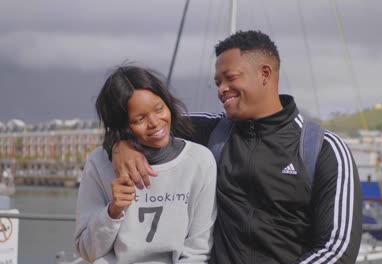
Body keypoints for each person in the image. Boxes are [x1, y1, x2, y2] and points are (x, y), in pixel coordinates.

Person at [112, 30, 362, 264]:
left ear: (265, 73)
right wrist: (121, 145)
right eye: (218, 81)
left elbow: (337, 249)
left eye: (230, 78)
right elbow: (146, 125)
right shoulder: (209, 131)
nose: (221, 90)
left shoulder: (323, 148)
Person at [74, 66, 217, 263]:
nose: (155, 123)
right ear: (121, 125)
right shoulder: (99, 163)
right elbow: (86, 250)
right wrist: (113, 211)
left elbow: (197, 253)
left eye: (159, 109)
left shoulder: (200, 162)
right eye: (139, 119)